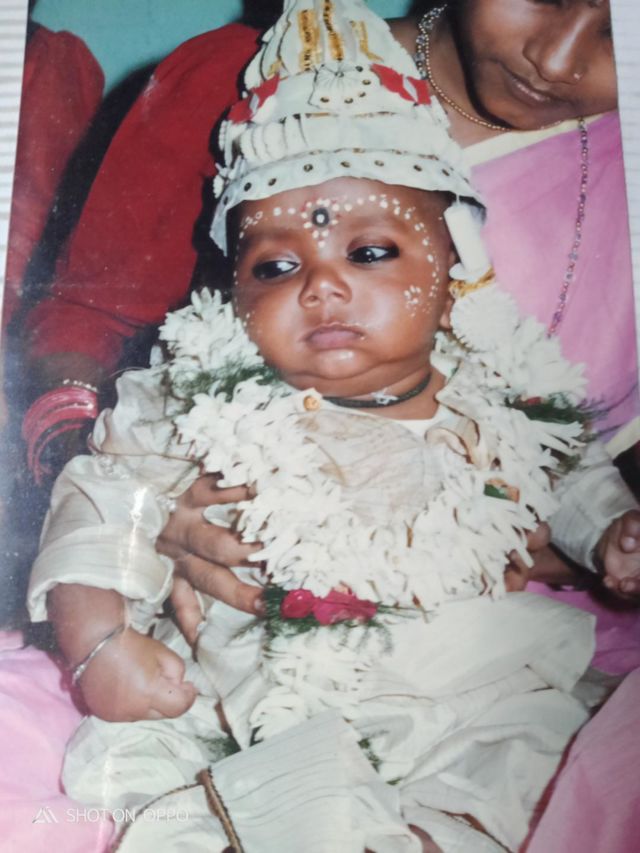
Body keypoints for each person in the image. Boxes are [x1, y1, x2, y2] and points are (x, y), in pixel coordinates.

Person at [26, 3, 640, 849]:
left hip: (468, 678)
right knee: (195, 787)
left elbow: (568, 466)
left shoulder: (492, 381)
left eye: (372, 253)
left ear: (453, 277)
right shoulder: (196, 391)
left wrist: (609, 530)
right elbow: (101, 497)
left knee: (519, 772)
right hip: (248, 683)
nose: (321, 285)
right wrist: (99, 643)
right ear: (233, 291)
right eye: (275, 266)